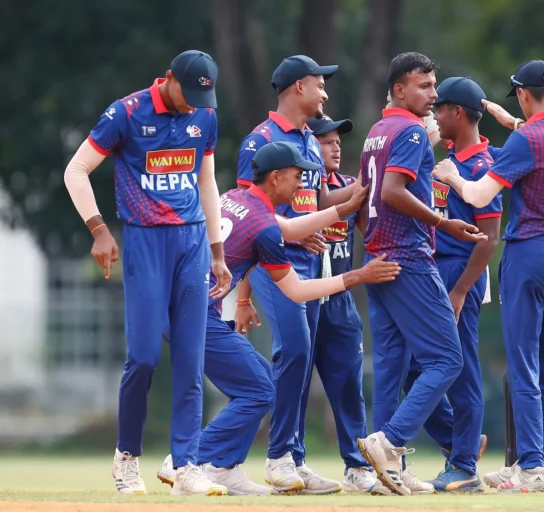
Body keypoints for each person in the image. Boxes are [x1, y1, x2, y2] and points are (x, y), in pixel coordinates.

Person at [152, 141, 398, 495]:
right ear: (276, 177)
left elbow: (286, 226)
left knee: (257, 385)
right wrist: (358, 275)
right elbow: (296, 290)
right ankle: (185, 459)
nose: (302, 184)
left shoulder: (237, 197)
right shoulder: (264, 229)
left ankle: (223, 467)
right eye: (298, 176)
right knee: (259, 389)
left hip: (179, 309)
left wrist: (342, 209)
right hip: (190, 316)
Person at [63, 50, 232, 496]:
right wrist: (99, 230)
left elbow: (207, 182)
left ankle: (187, 465)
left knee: (191, 359)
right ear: (169, 78)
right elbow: (76, 170)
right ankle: (127, 458)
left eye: (202, 97)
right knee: (143, 357)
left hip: (193, 242)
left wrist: (217, 251)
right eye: (188, 93)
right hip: (145, 241)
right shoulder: (127, 112)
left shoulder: (205, 116)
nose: (193, 103)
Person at [433, 59, 544, 494]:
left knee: (523, 365)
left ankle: (534, 467)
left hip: (529, 254)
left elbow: (478, 194)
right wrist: (514, 123)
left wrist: (451, 176)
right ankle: (531, 457)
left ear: (523, 94)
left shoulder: (527, 139)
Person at [355, 52, 487, 497]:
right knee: (448, 360)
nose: (433, 94)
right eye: (424, 86)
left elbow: (366, 198)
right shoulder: (411, 131)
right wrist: (442, 223)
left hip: (379, 258)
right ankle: (390, 443)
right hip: (409, 258)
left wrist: (373, 240)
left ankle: (387, 472)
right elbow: (392, 191)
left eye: (434, 86)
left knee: (391, 369)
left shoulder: (377, 131)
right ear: (399, 89)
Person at [235, 55, 356, 494]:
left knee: (301, 361)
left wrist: (367, 189)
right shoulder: (260, 140)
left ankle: (295, 459)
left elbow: (319, 202)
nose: (325, 92)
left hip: (310, 266)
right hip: (274, 264)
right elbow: (248, 212)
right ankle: (277, 457)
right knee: (297, 351)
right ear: (298, 87)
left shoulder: (308, 139)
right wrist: (243, 298)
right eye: (320, 84)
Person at [415, 76, 502, 493]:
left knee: (463, 366)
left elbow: (490, 238)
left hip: (460, 271)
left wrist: (462, 289)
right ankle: (459, 441)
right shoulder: (447, 158)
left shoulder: (482, 165)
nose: (435, 115)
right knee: (415, 367)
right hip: (434, 269)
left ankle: (465, 464)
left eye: (440, 108)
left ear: (458, 113)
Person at [303, 114, 379, 493]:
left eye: (337, 141)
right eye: (326, 141)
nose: (336, 147)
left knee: (350, 385)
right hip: (302, 299)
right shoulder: (297, 190)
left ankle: (357, 467)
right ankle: (291, 461)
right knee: (294, 386)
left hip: (340, 300)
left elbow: (370, 230)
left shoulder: (351, 186)